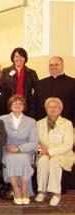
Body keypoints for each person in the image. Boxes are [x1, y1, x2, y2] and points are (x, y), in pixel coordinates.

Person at [32, 56, 75, 191]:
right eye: (51, 65)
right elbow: (36, 105)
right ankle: (42, 187)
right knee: (44, 158)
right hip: (45, 126)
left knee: (59, 157)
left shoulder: (73, 83)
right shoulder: (41, 83)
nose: (53, 67)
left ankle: (60, 187)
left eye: (56, 64)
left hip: (66, 126)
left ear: (63, 65)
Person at [0, 95, 38, 205]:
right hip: (7, 149)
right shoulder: (2, 119)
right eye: (14, 103)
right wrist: (6, 146)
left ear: (24, 106)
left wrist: (19, 148)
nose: (17, 105)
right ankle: (16, 189)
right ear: (10, 106)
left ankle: (25, 188)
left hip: (25, 150)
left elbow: (34, 142)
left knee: (24, 158)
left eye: (20, 103)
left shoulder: (31, 121)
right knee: (11, 159)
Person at [35, 98, 74, 206]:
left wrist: (49, 151)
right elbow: (35, 141)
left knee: (54, 161)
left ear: (60, 109)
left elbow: (68, 144)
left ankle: (56, 193)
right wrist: (41, 150)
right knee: (42, 161)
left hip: (62, 154)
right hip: (44, 153)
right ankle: (41, 191)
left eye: (55, 107)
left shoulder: (67, 123)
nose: (52, 109)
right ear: (46, 109)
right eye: (50, 107)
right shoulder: (39, 123)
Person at [0, 47, 38, 116]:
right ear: (13, 58)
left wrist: (32, 100)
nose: (19, 59)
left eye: (22, 56)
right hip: (10, 106)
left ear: (25, 58)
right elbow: (0, 87)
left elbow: (38, 89)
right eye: (16, 56)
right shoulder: (5, 71)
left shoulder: (31, 72)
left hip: (26, 106)